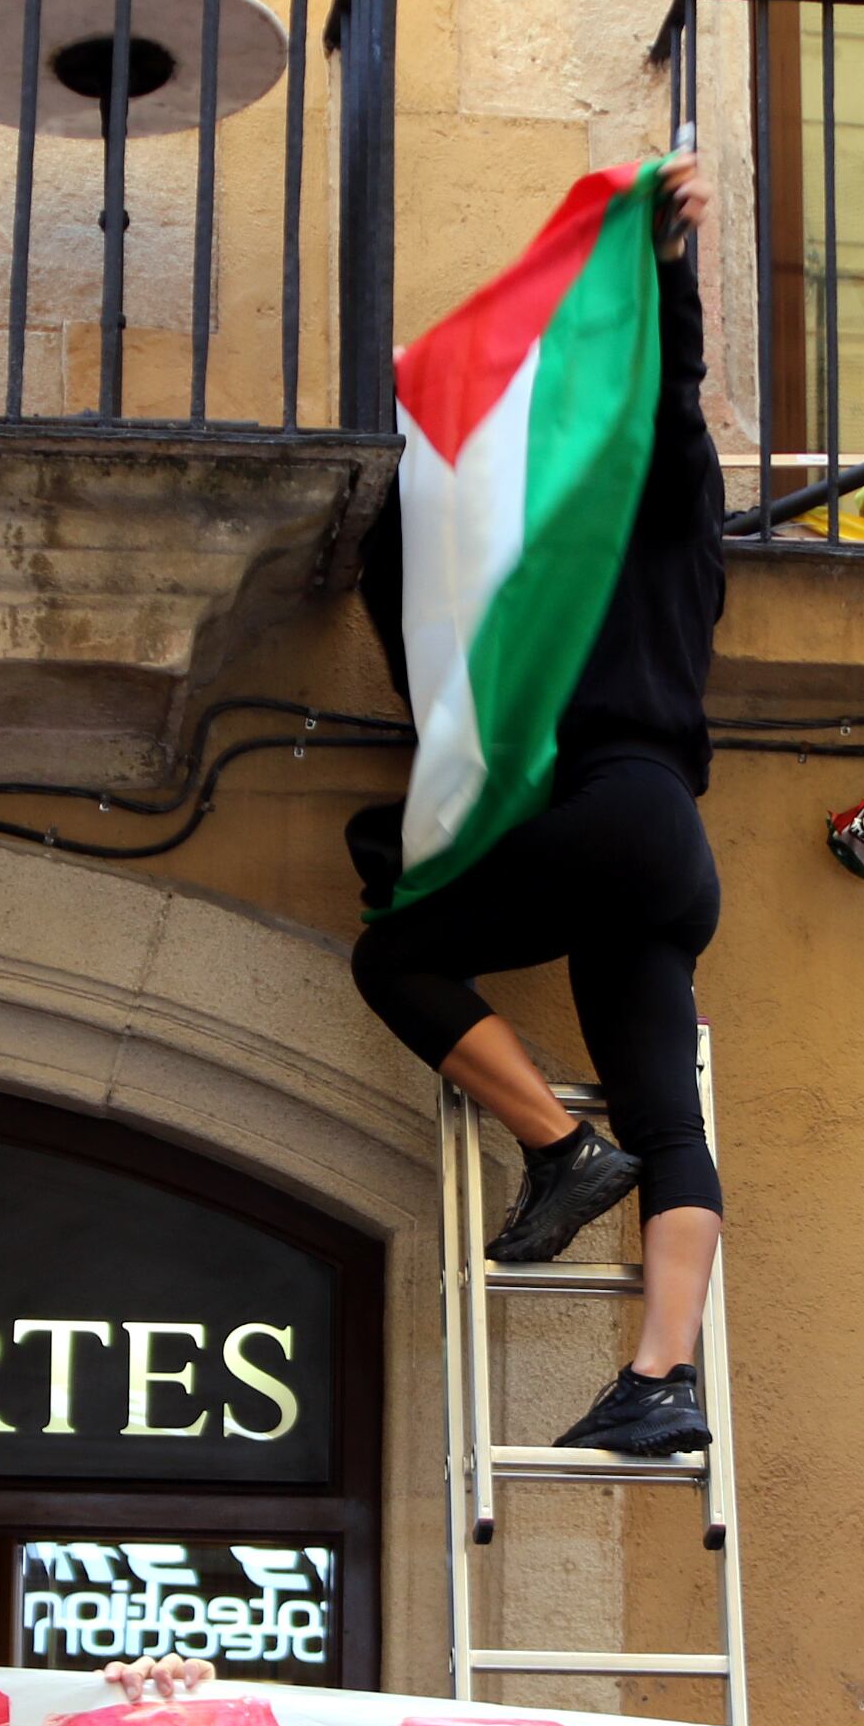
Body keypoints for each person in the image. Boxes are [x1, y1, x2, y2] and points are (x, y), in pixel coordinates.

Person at [350, 150, 732, 1459]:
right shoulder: (685, 545)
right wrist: (669, 277)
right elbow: (675, 417)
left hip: (604, 812)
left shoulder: (545, 572)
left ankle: (560, 1150)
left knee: (395, 952)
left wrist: (407, 465)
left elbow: (423, 632)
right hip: (672, 847)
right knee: (670, 1120)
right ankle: (662, 1380)